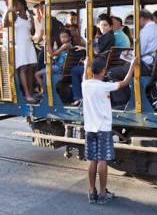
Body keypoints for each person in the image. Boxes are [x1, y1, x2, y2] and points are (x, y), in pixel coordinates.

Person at [82, 55, 137, 204]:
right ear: (103, 71)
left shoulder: (85, 85)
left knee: (92, 160)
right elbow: (125, 82)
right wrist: (132, 64)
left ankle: (92, 192)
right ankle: (102, 194)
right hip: (103, 128)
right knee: (102, 161)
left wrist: (86, 64)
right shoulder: (105, 86)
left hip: (90, 128)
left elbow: (84, 77)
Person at [70, 15, 115, 106]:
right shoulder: (108, 36)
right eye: (101, 25)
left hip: (100, 65)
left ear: (110, 26)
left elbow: (96, 52)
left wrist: (84, 48)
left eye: (105, 25)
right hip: (102, 63)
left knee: (74, 70)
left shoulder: (106, 37)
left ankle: (78, 97)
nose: (103, 27)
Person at [3, 0, 37, 104]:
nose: (15, 6)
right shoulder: (14, 15)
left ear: (23, 5)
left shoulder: (29, 16)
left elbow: (32, 32)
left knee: (31, 67)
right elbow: (4, 25)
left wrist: (32, 21)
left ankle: (31, 93)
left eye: (17, 4)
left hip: (28, 43)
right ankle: (26, 94)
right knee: (23, 67)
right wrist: (7, 11)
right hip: (20, 44)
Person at [35, 29, 72, 96]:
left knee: (37, 74)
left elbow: (52, 54)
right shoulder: (68, 45)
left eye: (65, 36)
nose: (63, 39)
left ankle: (46, 92)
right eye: (61, 37)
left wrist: (48, 41)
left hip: (58, 68)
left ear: (70, 37)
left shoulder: (66, 45)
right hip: (61, 67)